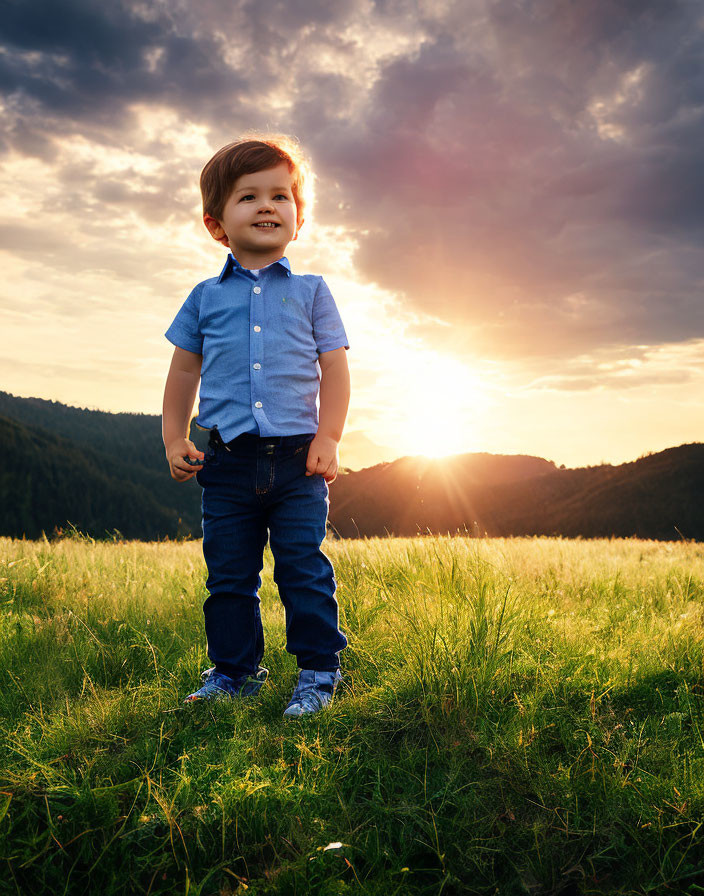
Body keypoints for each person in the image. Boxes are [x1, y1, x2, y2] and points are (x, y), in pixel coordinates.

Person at [161, 135, 350, 718]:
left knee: (303, 569)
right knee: (229, 579)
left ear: (298, 217)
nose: (267, 206)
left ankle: (319, 673)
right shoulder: (204, 297)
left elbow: (336, 368)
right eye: (249, 197)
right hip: (227, 461)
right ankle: (234, 674)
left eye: (281, 196)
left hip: (299, 463)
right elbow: (183, 370)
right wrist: (174, 436)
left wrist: (330, 437)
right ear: (217, 224)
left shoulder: (314, 292)